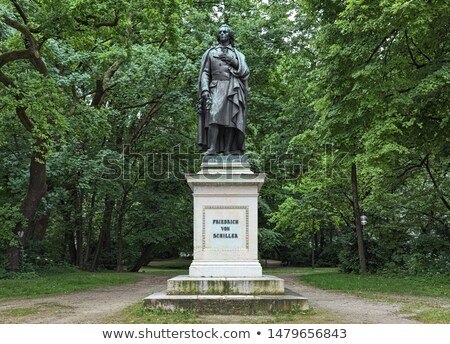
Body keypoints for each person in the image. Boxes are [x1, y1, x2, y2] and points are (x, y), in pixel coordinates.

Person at [197, 24, 250, 156]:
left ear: (230, 35)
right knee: (214, 116)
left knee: (231, 119)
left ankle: (228, 149)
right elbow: (205, 72)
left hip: (233, 87)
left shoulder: (237, 55)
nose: (222, 33)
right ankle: (213, 148)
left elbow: (245, 72)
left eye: (225, 32)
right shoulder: (211, 52)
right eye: (220, 32)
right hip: (216, 87)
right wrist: (204, 90)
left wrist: (233, 62)